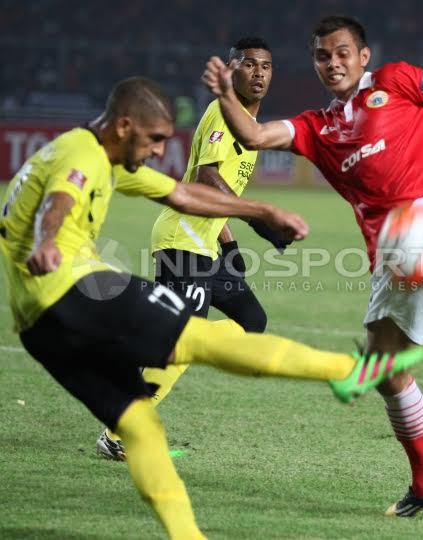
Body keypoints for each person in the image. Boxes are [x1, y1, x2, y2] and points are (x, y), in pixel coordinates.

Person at [0, 76, 423, 539]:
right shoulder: (82, 156)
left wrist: (260, 213)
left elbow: (181, 193)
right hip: (72, 288)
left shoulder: (99, 152)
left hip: (36, 322)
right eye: (155, 139)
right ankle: (345, 370)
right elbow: (59, 201)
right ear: (124, 125)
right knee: (195, 336)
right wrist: (46, 241)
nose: (161, 151)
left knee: (141, 428)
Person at [201, 15, 423, 517]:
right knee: (387, 369)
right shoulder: (316, 127)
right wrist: (224, 94)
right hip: (391, 253)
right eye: (323, 56)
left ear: (363, 56)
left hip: (421, 215)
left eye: (342, 52)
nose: (333, 63)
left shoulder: (397, 81)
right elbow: (256, 136)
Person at [96, 36, 289, 461]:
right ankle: (118, 431)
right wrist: (257, 219)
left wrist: (231, 245)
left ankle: (152, 340)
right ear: (233, 69)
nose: (259, 73)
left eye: (266, 66)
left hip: (204, 241)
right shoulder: (224, 113)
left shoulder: (248, 127)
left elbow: (219, 197)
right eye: (250, 64)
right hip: (182, 238)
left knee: (252, 319)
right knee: (182, 345)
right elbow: (206, 178)